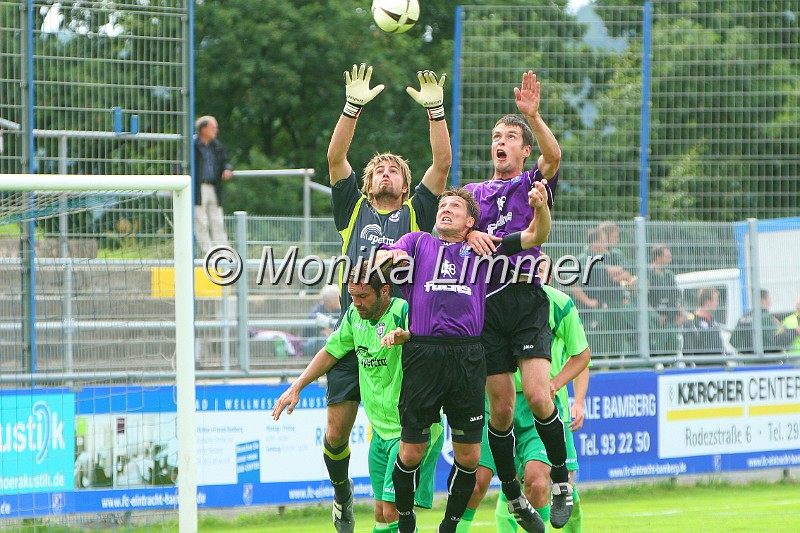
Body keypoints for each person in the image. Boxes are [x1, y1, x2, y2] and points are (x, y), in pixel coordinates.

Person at [377, 184, 551, 533]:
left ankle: (450, 525)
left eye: (455, 206)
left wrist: (541, 207)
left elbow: (535, 235)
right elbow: (384, 255)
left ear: (470, 220)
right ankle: (407, 518)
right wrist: (390, 258)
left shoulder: (484, 247)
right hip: (423, 354)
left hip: (469, 356)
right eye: (443, 205)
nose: (446, 209)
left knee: (469, 457)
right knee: (411, 452)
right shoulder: (417, 242)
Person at [323, 63, 451, 533]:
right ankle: (341, 495)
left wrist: (435, 111)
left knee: (401, 446)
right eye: (377, 168)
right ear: (367, 182)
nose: (383, 172)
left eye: (393, 168)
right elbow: (336, 157)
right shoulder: (353, 209)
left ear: (405, 181)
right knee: (335, 433)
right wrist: (352, 107)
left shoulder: (418, 210)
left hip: (400, 339)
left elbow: (442, 164)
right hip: (354, 334)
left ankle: (404, 516)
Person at [460, 71, 572, 530]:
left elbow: (555, 155)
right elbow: (447, 227)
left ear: (524, 149)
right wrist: (469, 231)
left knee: (539, 394)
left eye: (509, 137)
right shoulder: (472, 194)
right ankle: (512, 495)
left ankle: (562, 480)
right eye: (495, 137)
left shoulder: (532, 180)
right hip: (485, 308)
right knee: (501, 409)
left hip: (525, 299)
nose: (500, 142)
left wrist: (533, 115)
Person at [272, 267, 443, 533]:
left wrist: (408, 336)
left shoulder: (403, 312)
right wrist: (297, 386)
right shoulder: (354, 316)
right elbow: (331, 350)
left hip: (410, 430)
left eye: (363, 296)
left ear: (385, 291)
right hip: (382, 433)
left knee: (392, 509)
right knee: (380, 513)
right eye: (352, 296)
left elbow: (438, 340)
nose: (356, 303)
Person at [457, 255, 591, 533]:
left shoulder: (559, 304)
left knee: (539, 483)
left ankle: (569, 507)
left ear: (550, 277)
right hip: (494, 403)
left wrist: (567, 393)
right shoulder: (489, 300)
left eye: (539, 270)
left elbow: (581, 356)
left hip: (540, 406)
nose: (531, 274)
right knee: (476, 483)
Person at [193, 115, 233, 255]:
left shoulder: (216, 146)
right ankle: (209, 253)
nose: (216, 130)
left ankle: (224, 253)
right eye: (213, 127)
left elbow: (225, 161)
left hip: (213, 187)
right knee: (201, 222)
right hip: (198, 187)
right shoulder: (193, 145)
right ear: (203, 129)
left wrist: (227, 168)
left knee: (217, 220)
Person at [730, 289, 794, 353]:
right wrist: (790, 331)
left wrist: (746, 353)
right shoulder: (764, 318)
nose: (770, 303)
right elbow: (777, 341)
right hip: (765, 360)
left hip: (747, 361)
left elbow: (733, 341)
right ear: (762, 300)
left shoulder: (743, 318)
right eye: (768, 299)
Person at [647, 244, 683, 354]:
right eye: (667, 256)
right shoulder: (648, 274)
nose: (669, 259)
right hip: (657, 323)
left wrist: (681, 312)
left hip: (671, 321)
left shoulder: (669, 275)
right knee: (658, 353)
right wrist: (655, 315)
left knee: (672, 353)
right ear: (658, 258)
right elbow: (642, 299)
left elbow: (676, 296)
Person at [683, 288, 725, 356]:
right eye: (716, 300)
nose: (717, 303)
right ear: (708, 302)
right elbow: (687, 351)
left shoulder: (714, 321)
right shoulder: (691, 322)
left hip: (717, 366)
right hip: (702, 366)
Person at [303, 285, 341, 355]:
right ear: (330, 300)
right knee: (324, 340)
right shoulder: (317, 312)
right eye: (337, 298)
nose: (339, 301)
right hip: (311, 343)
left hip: (327, 339)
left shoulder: (338, 311)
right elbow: (317, 333)